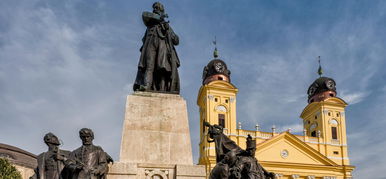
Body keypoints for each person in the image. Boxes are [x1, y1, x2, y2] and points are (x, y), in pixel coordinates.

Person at [133, 2, 180, 93]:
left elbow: (176, 40)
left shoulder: (166, 25)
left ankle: (162, 88)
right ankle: (146, 86)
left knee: (162, 68)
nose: (155, 9)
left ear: (161, 10)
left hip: (162, 48)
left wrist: (167, 29)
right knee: (149, 66)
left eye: (158, 8)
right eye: (155, 8)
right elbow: (144, 15)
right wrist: (160, 18)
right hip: (150, 45)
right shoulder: (150, 22)